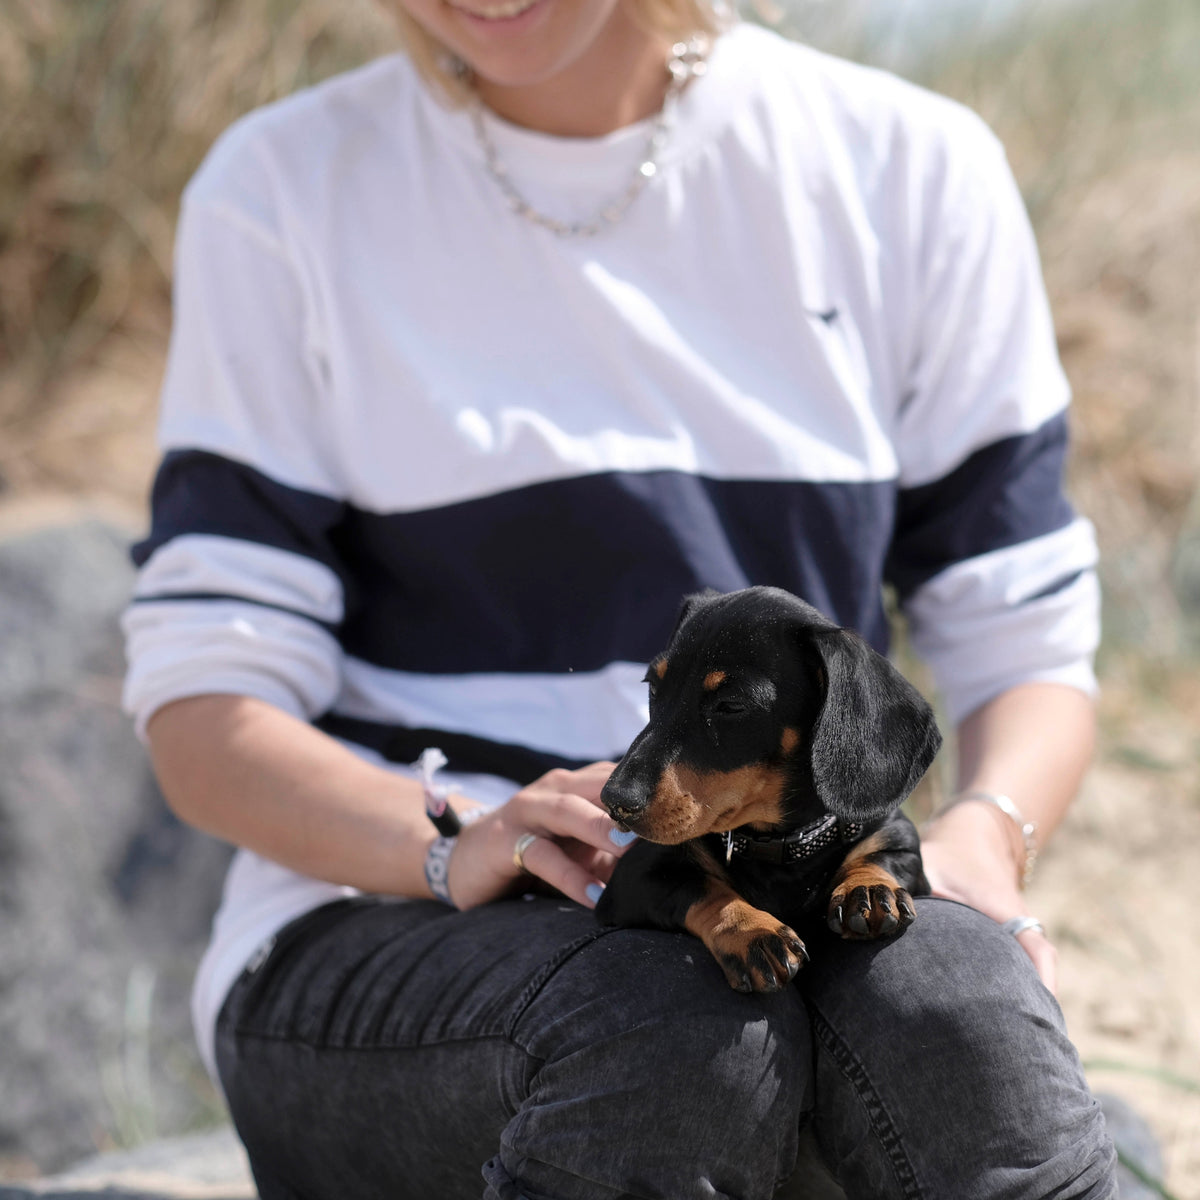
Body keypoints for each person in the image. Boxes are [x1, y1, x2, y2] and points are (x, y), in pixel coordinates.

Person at [121, 0, 1118, 1193]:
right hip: (383, 921)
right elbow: (202, 712)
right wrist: (452, 845)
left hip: (797, 868)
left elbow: (1026, 642)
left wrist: (981, 843)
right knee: (666, 1026)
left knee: (958, 1018)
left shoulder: (907, 164)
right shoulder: (283, 186)